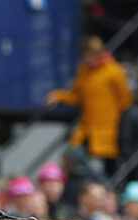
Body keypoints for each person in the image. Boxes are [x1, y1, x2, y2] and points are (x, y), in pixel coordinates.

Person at [45, 36, 133, 175]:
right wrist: (58, 96)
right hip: (88, 128)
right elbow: (78, 96)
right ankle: (89, 182)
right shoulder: (83, 71)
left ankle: (100, 184)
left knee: (109, 167)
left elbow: (125, 101)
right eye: (86, 56)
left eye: (92, 56)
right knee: (73, 154)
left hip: (109, 129)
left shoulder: (114, 71)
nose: (89, 60)